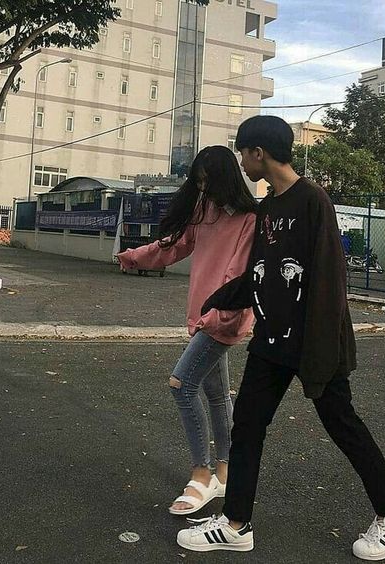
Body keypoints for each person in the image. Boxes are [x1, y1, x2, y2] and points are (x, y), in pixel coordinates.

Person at [176, 116, 385, 560]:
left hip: (315, 343)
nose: (242, 163)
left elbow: (329, 282)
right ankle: (235, 524)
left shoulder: (313, 200)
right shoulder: (267, 207)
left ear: (259, 153)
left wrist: (320, 355)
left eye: (243, 153)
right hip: (271, 341)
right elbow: (261, 273)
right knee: (247, 426)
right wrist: (222, 298)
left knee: (343, 426)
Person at [118, 146, 257, 515]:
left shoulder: (249, 219)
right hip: (203, 317)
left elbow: (237, 277)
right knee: (216, 395)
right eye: (199, 182)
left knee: (181, 385)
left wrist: (214, 317)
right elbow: (175, 246)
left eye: (208, 181)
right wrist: (134, 257)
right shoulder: (203, 211)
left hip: (222, 318)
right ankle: (226, 471)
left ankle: (201, 473)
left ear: (225, 178)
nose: (204, 188)